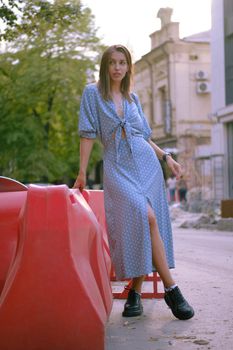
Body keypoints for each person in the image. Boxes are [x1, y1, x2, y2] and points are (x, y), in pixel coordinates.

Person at [73, 45, 194, 320]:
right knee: (144, 216)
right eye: (112, 62)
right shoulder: (92, 93)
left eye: (122, 62)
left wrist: (167, 159)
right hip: (117, 166)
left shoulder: (133, 98)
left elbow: (144, 136)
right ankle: (172, 289)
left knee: (146, 223)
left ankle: (135, 295)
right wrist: (81, 172)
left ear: (128, 67)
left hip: (147, 165)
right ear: (105, 66)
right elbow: (87, 134)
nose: (117, 67)